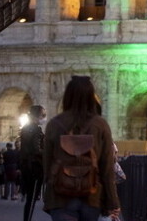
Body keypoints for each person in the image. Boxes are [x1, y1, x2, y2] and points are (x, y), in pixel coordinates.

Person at [42, 76, 121, 221]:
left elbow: (47, 163)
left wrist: (49, 192)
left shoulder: (54, 124)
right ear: (91, 97)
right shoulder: (101, 125)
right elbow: (107, 167)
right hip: (92, 195)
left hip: (61, 195)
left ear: (68, 95)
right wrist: (112, 201)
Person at [20, 105, 47, 221]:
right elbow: (36, 149)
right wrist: (47, 152)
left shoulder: (25, 128)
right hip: (35, 166)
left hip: (27, 165)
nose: (44, 118)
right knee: (32, 198)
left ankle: (27, 218)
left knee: (30, 198)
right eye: (43, 115)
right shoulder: (36, 129)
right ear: (37, 116)